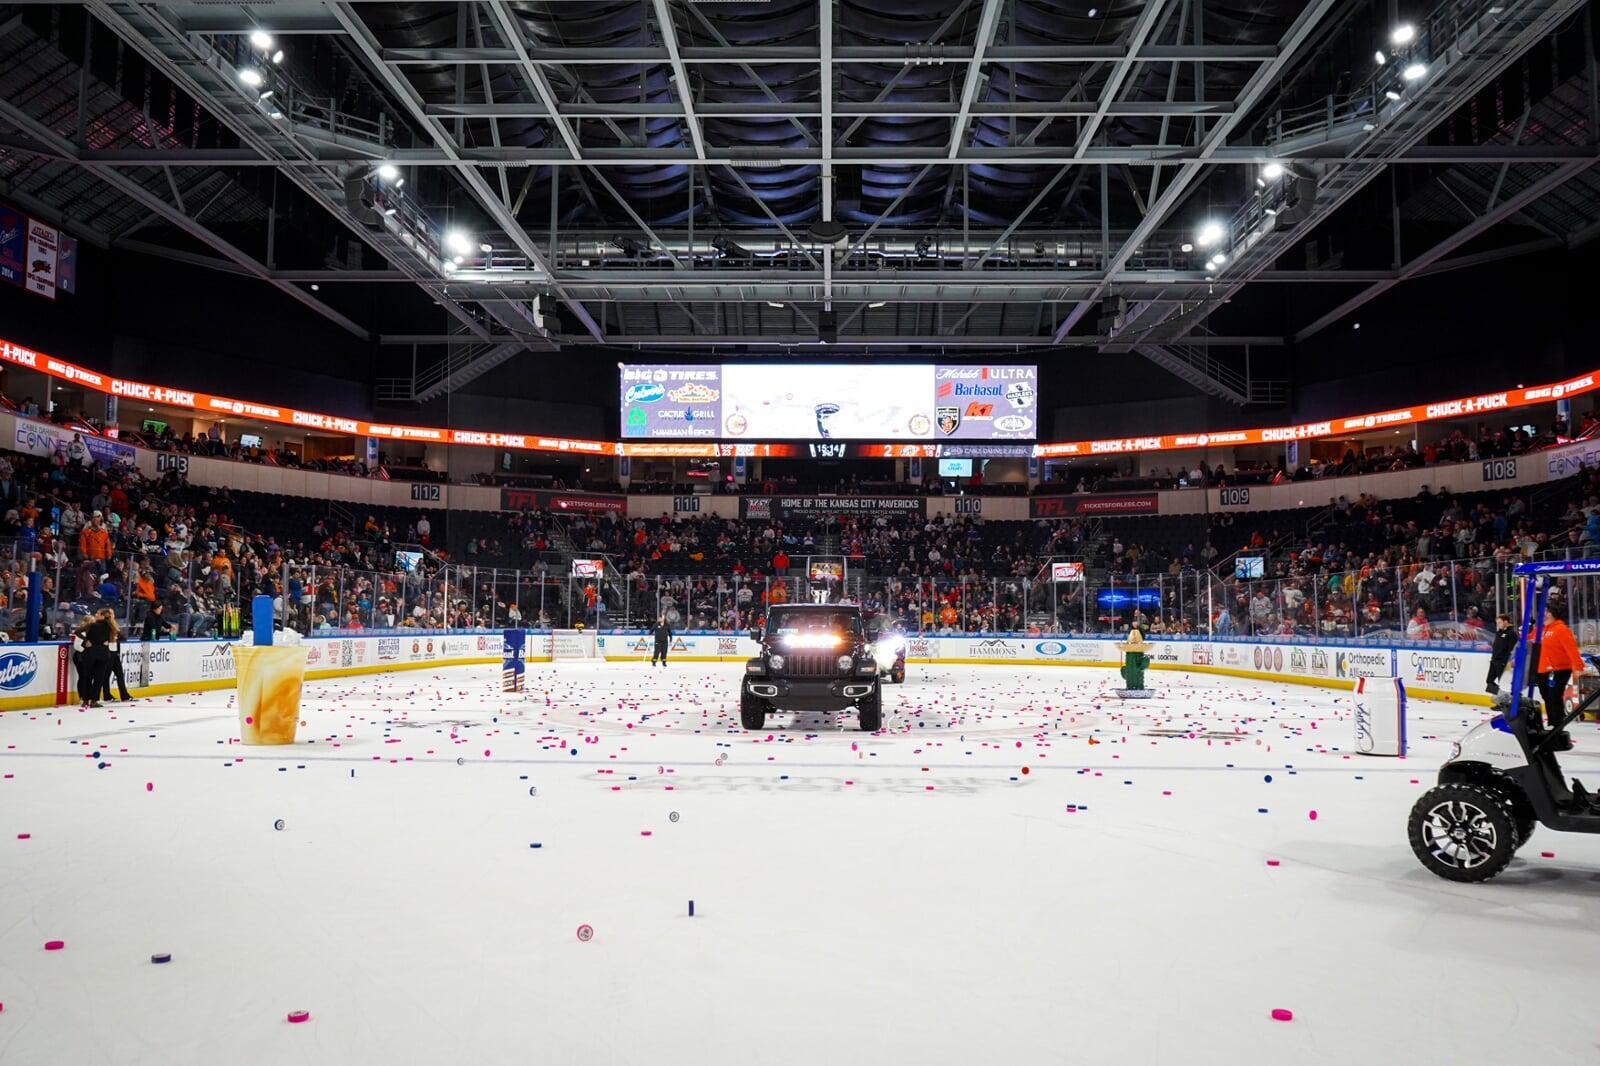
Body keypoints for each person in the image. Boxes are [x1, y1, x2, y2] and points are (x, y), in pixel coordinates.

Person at [1534, 602, 1582, 738]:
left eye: (1547, 611)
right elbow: (1529, 638)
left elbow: (1571, 649)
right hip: (1543, 670)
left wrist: (1577, 666)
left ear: (1553, 613)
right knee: (1547, 696)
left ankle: (1558, 725)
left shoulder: (1561, 629)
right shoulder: (1543, 629)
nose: (1544, 614)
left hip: (1559, 669)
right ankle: (1551, 723)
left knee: (1554, 697)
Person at [75, 610, 113, 708]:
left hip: (90, 653)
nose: (95, 615)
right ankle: (94, 700)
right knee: (98, 679)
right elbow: (119, 636)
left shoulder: (92, 625)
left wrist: (86, 640)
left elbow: (77, 632)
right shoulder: (110, 626)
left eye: (97, 614)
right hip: (103, 654)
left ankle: (85, 700)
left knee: (88, 677)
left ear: (102, 616)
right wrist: (108, 641)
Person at [102, 610, 133, 701]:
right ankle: (107, 695)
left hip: (114, 652)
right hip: (108, 652)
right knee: (106, 675)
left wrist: (117, 635)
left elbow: (123, 637)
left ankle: (124, 695)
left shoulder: (114, 626)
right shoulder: (105, 625)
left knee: (119, 674)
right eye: (111, 613)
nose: (113, 615)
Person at [1485, 613, 1516, 696]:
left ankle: (1506, 702)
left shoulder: (1511, 633)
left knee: (1503, 683)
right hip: (1494, 660)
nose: (1498, 625)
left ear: (1506, 622)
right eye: (1497, 623)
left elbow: (1512, 649)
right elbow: (1497, 645)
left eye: (1499, 622)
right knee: (1489, 681)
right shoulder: (1499, 632)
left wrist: (1508, 660)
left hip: (1502, 661)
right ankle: (1501, 700)